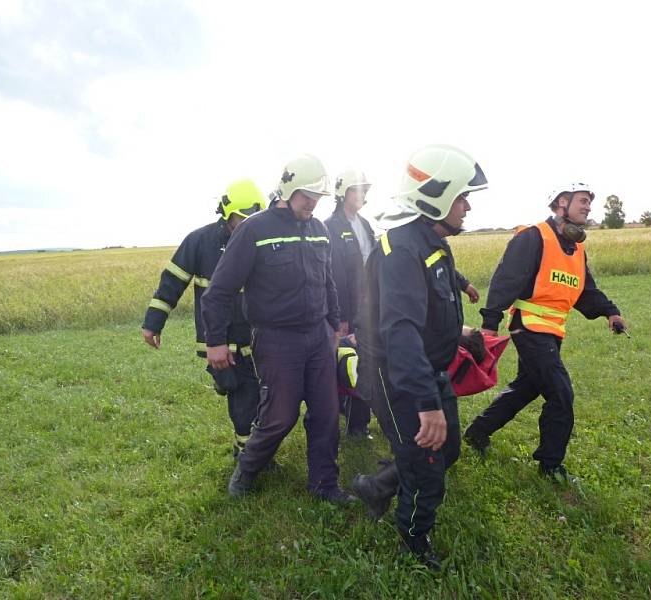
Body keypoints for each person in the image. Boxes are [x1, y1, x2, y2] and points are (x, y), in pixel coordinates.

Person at [351, 144, 489, 569]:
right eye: (462, 197)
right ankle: (413, 540)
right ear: (437, 196)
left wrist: (460, 333)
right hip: (399, 378)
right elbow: (401, 332)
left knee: (446, 452)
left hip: (428, 370)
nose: (467, 207)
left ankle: (375, 486)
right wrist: (427, 406)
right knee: (426, 463)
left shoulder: (431, 241)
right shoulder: (401, 250)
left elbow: (427, 308)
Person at [201, 154, 354, 505]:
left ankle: (324, 485)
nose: (312, 205)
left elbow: (327, 281)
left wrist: (334, 325)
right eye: (306, 197)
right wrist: (216, 342)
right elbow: (219, 291)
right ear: (288, 189)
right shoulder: (254, 230)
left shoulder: (319, 230)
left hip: (318, 336)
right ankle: (246, 470)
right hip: (276, 338)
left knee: (327, 413)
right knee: (279, 416)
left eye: (318, 198)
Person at [463, 183, 627, 483]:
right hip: (528, 326)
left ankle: (477, 432)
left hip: (551, 331)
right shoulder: (533, 236)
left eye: (590, 202)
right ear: (561, 203)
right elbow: (506, 279)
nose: (588, 206)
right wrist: (490, 320)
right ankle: (550, 465)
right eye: (582, 200)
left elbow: (585, 289)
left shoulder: (576, 248)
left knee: (527, 387)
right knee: (560, 393)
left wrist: (610, 311)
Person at [141, 179, 266, 457]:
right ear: (227, 212)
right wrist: (153, 322)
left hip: (257, 339)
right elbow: (172, 282)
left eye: (253, 219)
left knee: (259, 397)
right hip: (220, 341)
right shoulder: (200, 242)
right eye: (242, 219)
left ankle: (250, 452)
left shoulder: (261, 240)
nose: (247, 225)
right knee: (242, 398)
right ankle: (250, 459)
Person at [324, 169, 375, 438]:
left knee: (365, 362)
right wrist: (341, 317)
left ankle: (358, 422)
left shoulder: (365, 225)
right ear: (344, 193)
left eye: (365, 190)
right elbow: (334, 276)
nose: (363, 195)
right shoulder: (331, 226)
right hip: (347, 310)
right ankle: (343, 419)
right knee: (347, 363)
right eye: (359, 190)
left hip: (368, 308)